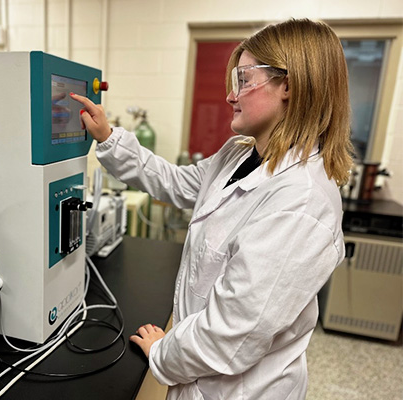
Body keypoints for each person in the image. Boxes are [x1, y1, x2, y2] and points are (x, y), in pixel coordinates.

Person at [71, 18, 353, 400]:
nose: (230, 96)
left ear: (289, 84)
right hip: (202, 374)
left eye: (244, 80)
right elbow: (175, 182)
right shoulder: (240, 155)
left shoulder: (301, 203)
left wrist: (163, 351)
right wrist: (108, 137)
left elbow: (230, 335)